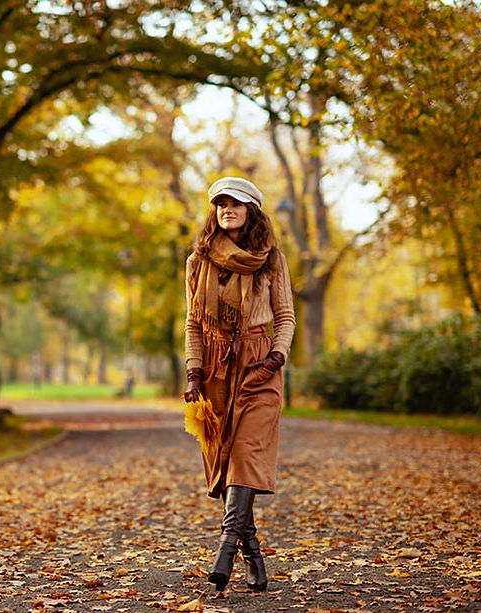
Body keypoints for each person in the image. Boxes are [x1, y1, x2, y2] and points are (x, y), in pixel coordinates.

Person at [183, 176, 295, 594]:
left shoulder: (271, 259)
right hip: (214, 370)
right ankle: (253, 553)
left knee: (247, 454)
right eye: (220, 203)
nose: (227, 209)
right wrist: (194, 371)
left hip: (259, 364)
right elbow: (193, 322)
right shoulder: (198, 261)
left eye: (236, 203)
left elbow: (285, 315)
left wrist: (276, 357)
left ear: (252, 211)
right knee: (224, 463)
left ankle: (226, 550)